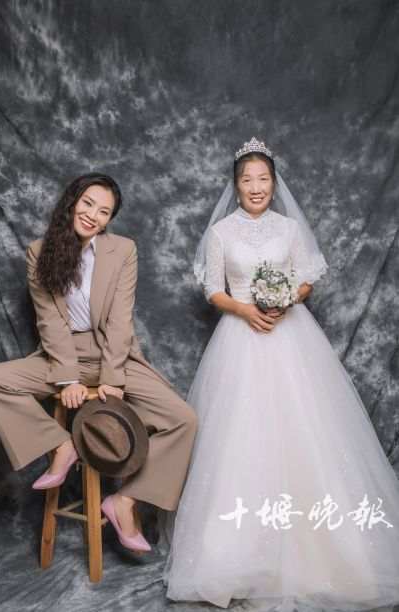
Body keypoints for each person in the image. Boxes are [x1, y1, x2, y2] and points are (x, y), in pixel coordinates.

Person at [163, 138, 399, 610]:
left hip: (292, 336)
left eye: (263, 179)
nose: (255, 187)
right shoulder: (221, 234)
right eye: (246, 180)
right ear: (235, 186)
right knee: (239, 439)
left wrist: (289, 297)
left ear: (274, 183)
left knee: (306, 432)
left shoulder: (290, 229)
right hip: (238, 336)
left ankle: (325, 551)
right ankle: (234, 554)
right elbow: (212, 287)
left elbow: (307, 275)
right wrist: (247, 309)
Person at [0, 173, 197, 552]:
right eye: (88, 203)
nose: (93, 215)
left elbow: (121, 318)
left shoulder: (122, 250)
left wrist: (113, 377)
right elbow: (49, 321)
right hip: (60, 356)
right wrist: (67, 379)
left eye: (104, 212)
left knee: (183, 420)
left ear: (109, 221)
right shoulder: (40, 252)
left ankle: (125, 501)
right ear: (72, 201)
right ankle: (59, 447)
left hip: (112, 354)